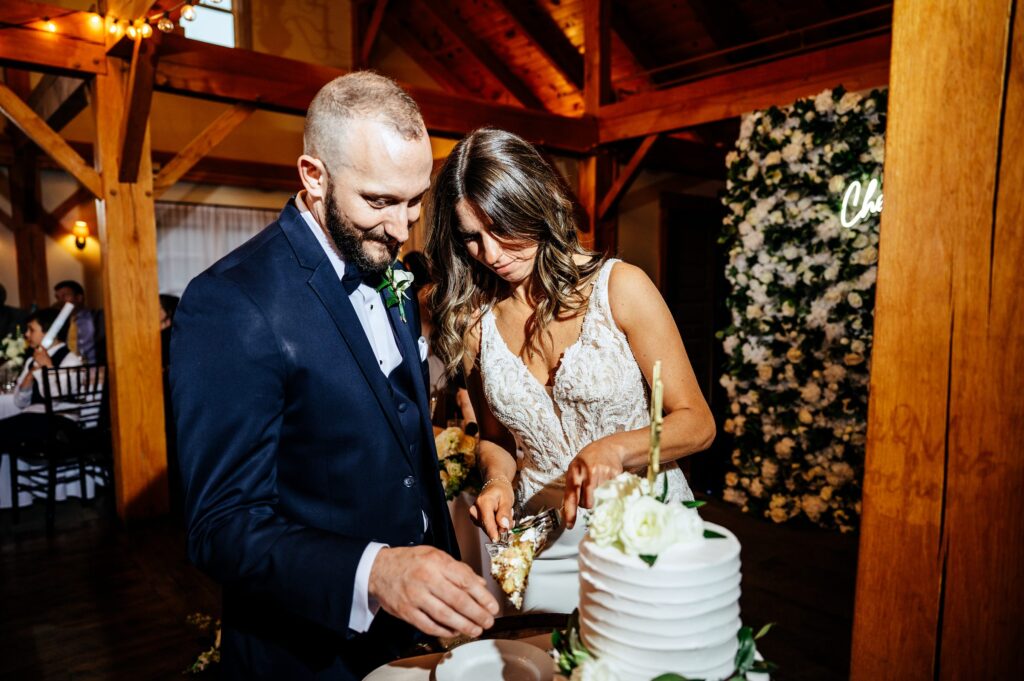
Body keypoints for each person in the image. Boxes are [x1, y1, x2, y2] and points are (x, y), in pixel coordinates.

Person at [170, 73, 497, 681]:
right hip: (309, 653)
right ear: (313, 176)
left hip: (413, 634)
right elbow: (221, 527)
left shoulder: (383, 262)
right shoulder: (231, 303)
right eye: (378, 201)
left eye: (415, 199)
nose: (403, 229)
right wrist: (376, 573)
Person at [425, 128, 716, 614]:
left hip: (643, 528)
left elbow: (697, 422)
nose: (491, 254)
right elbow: (496, 437)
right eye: (471, 237)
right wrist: (497, 481)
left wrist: (616, 449)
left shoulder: (621, 288)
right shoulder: (477, 324)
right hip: (543, 540)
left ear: (535, 206)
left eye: (501, 228)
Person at [0, 307, 83, 451]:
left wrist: (48, 368)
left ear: (49, 332)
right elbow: (20, 403)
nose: (26, 334)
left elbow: (56, 399)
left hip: (61, 423)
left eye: (31, 330)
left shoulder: (71, 360)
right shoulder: (31, 361)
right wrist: (28, 379)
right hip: (34, 417)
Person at [54, 280, 105, 364]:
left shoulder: (97, 318)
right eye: (58, 297)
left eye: (65, 296)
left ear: (79, 298)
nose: (60, 301)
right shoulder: (60, 324)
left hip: (95, 368)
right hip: (70, 371)